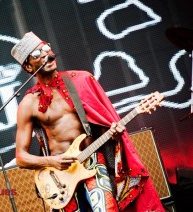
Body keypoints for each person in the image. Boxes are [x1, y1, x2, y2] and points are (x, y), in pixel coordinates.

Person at [11, 32, 164, 212]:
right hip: (60, 176)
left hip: (92, 161)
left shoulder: (81, 80)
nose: (46, 54)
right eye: (37, 55)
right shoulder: (28, 104)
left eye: (46, 49)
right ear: (28, 67)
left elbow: (101, 121)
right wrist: (53, 161)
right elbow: (21, 158)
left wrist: (113, 133)